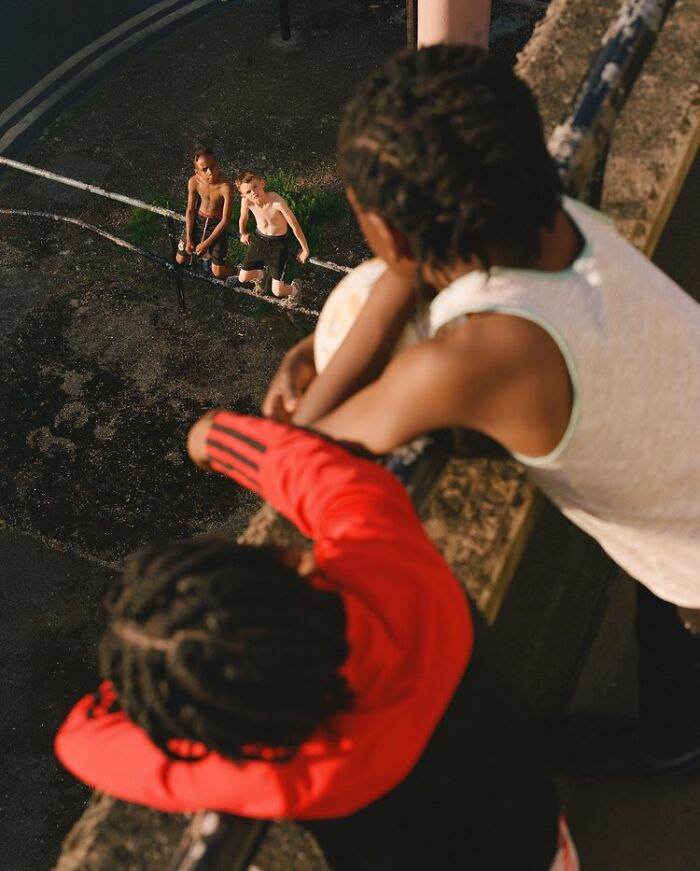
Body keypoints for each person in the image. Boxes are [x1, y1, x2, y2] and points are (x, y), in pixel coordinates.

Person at [263, 45, 700, 775]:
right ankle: (672, 738)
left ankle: (673, 744)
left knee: (674, 600)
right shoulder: (563, 215)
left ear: (392, 236)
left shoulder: (476, 362)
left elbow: (306, 439)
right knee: (664, 598)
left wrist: (312, 352)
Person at [55, 409, 576, 870]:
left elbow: (81, 739)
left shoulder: (283, 769)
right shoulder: (389, 559)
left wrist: (168, 684)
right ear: (290, 560)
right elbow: (312, 471)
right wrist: (212, 437)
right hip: (538, 838)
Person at [232, 171, 309, 307]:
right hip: (259, 239)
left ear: (262, 183)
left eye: (255, 187)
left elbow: (294, 226)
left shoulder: (276, 202)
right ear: (243, 195)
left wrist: (304, 250)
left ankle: (295, 289)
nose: (253, 193)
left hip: (278, 244)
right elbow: (243, 218)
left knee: (278, 291)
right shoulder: (247, 202)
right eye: (248, 191)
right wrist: (243, 233)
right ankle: (262, 275)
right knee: (242, 277)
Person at [176, 146, 237, 280]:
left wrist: (206, 243)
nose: (210, 172)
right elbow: (191, 210)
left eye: (213, 166)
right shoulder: (194, 182)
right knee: (180, 259)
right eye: (204, 169)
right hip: (199, 221)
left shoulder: (225, 186)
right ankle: (204, 260)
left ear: (217, 163)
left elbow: (225, 220)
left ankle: (240, 272)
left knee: (218, 272)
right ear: (197, 172)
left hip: (217, 224)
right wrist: (189, 239)